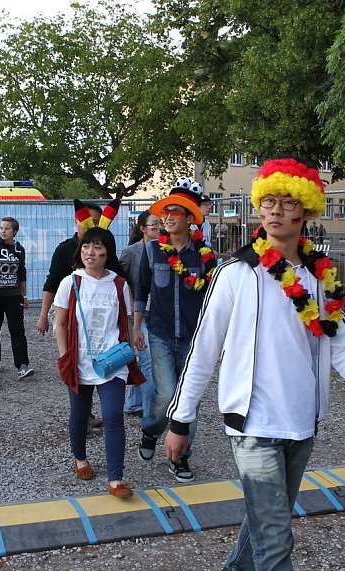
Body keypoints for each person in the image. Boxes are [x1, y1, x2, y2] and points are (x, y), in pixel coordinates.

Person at [164, 156, 345, 570]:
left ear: (308, 210)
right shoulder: (236, 273)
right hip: (252, 427)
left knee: (263, 526)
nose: (276, 210)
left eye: (288, 202)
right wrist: (179, 420)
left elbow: (344, 345)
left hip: (302, 424)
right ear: (259, 206)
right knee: (276, 540)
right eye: (270, 200)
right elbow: (203, 349)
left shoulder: (322, 277)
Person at [132, 176, 218, 483]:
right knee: (166, 392)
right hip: (159, 333)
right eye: (164, 211)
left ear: (191, 218)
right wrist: (137, 327)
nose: (166, 217)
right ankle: (151, 431)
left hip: (194, 339)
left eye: (175, 212)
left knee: (188, 397)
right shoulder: (153, 250)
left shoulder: (205, 256)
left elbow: (214, 300)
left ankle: (180, 457)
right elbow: (141, 289)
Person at [54, 226, 144, 499]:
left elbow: (124, 322)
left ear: (108, 252)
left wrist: (130, 348)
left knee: (114, 416)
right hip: (78, 360)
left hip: (112, 360)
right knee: (80, 414)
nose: (90, 252)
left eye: (97, 247)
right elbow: (60, 324)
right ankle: (80, 459)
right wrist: (64, 356)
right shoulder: (70, 282)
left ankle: (116, 478)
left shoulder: (119, 284)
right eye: (86, 247)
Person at [37, 201, 108, 429]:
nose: (90, 225)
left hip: (99, 320)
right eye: (85, 221)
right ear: (76, 222)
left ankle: (89, 414)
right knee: (74, 365)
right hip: (71, 319)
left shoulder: (107, 252)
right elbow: (52, 282)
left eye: (96, 221)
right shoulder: (65, 249)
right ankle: (81, 417)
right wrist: (43, 315)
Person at [119, 210, 161, 417]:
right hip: (138, 313)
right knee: (147, 357)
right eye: (154, 224)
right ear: (142, 228)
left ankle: (135, 403)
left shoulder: (166, 249)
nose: (159, 227)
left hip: (160, 313)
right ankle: (150, 409)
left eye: (160, 224)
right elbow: (120, 281)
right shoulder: (130, 252)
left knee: (148, 359)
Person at [0, 217, 33, 378]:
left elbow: (22, 273)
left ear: (14, 231)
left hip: (14, 295)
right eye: (1, 228)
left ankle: (22, 364)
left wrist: (24, 296)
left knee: (17, 330)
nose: (3, 231)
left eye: (7, 228)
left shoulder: (19, 249)